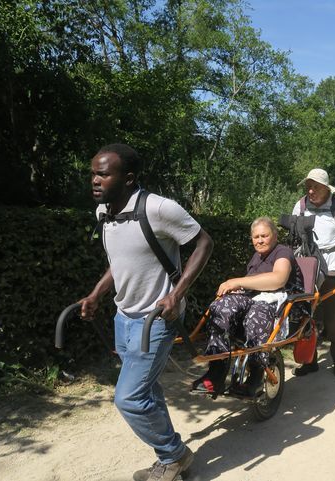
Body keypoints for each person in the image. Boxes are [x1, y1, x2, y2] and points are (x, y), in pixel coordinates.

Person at [79, 144, 214, 481]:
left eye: (103, 174)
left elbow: (204, 243)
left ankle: (174, 455)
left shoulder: (158, 208)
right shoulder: (104, 213)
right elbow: (121, 264)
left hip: (155, 321)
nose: (94, 180)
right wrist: (97, 293)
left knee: (129, 398)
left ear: (128, 179)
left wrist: (176, 294)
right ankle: (170, 457)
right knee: (148, 391)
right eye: (93, 173)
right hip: (122, 317)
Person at [193, 217, 304, 396]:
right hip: (254, 297)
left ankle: (255, 377)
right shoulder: (256, 257)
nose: (259, 240)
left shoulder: (283, 252)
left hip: (278, 300)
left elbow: (278, 279)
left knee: (256, 315)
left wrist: (235, 281)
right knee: (222, 306)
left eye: (264, 236)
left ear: (275, 236)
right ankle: (216, 374)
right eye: (255, 237)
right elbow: (251, 286)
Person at [292, 168, 335, 377]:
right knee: (306, 315)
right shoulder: (301, 205)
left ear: (326, 188)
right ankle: (310, 361)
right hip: (306, 266)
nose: (311, 191)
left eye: (315, 187)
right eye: (308, 186)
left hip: (332, 267)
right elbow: (293, 238)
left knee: (333, 317)